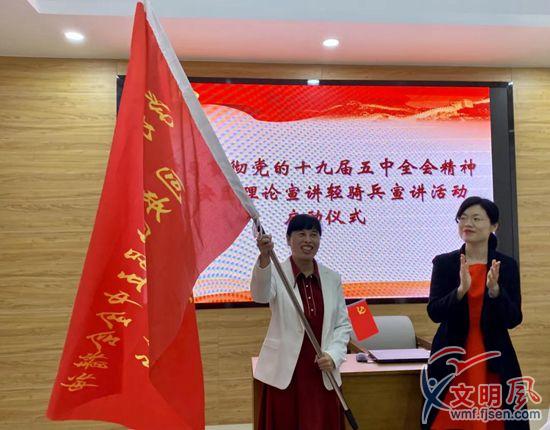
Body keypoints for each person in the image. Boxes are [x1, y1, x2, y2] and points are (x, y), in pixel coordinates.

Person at [424, 197, 527, 430]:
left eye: (476, 218)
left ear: (494, 226)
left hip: (494, 354)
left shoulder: (506, 265)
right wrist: (460, 291)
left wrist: (496, 291)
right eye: (463, 218)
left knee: (496, 420)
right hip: (451, 355)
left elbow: (513, 318)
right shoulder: (445, 263)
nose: (467, 223)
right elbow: (434, 312)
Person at [251, 214, 352, 430]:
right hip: (285, 374)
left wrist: (333, 356)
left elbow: (342, 325)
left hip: (321, 371)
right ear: (288, 240)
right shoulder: (276, 272)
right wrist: (264, 258)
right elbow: (260, 296)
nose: (308, 240)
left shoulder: (332, 278)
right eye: (301, 234)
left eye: (314, 234)